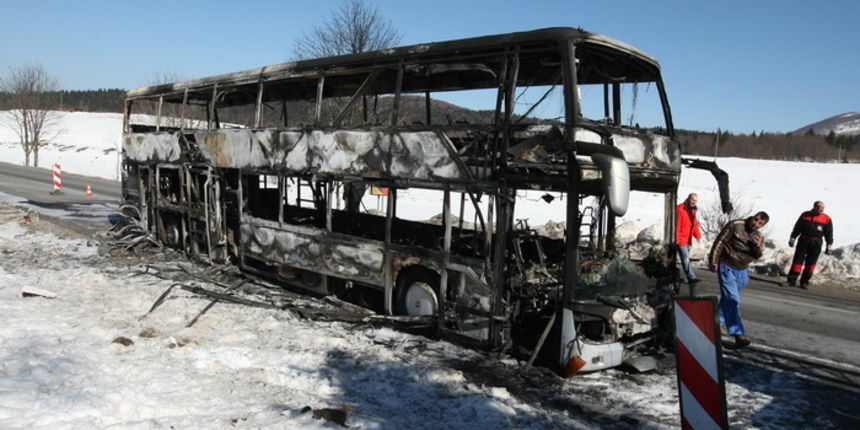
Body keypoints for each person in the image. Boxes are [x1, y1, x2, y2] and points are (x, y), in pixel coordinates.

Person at [708, 211, 769, 349]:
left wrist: (757, 246)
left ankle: (715, 322)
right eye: (756, 219)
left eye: (760, 223)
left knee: (728, 298)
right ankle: (738, 333)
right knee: (732, 299)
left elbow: (757, 255)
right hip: (727, 265)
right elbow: (720, 241)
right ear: (753, 216)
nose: (755, 223)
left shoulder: (757, 235)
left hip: (742, 269)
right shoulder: (736, 225)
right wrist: (713, 260)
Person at [785, 201, 834, 289]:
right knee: (797, 261)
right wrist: (793, 238)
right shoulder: (805, 215)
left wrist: (829, 245)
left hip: (816, 243)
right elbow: (797, 227)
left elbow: (829, 234)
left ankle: (804, 282)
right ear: (814, 207)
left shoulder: (827, 219)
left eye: (823, 208)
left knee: (811, 263)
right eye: (819, 208)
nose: (821, 210)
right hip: (803, 240)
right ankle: (791, 280)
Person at [676, 193, 703, 284]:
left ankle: (674, 276)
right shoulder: (680, 209)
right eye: (692, 200)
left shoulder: (692, 211)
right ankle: (691, 277)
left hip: (687, 239)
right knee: (685, 258)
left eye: (695, 201)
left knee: (681, 258)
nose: (693, 202)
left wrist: (698, 236)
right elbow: (677, 225)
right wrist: (677, 238)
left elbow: (694, 225)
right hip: (680, 239)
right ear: (688, 198)